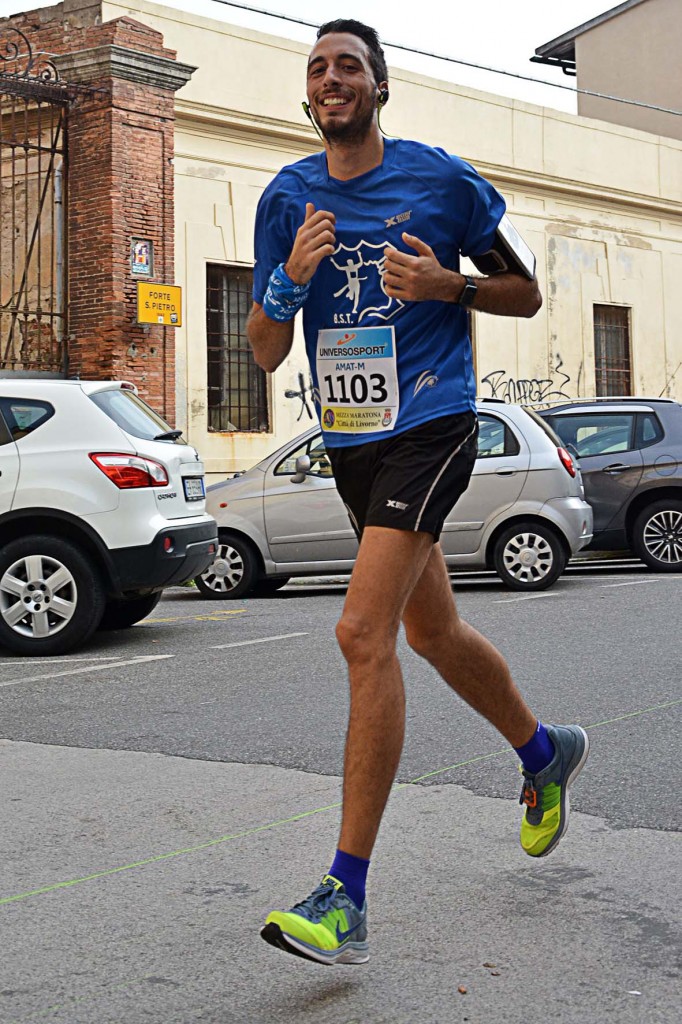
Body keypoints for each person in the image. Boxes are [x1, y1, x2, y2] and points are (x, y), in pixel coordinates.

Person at [247, 18, 589, 966]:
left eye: (349, 66)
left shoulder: (440, 181)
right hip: (352, 442)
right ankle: (543, 751)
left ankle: (345, 896)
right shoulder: (287, 198)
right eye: (318, 68)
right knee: (432, 633)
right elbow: (265, 351)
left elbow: (523, 291)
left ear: (379, 86)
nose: (331, 79)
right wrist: (289, 281)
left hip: (433, 425)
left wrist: (448, 286)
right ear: (308, 94)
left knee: (363, 634)